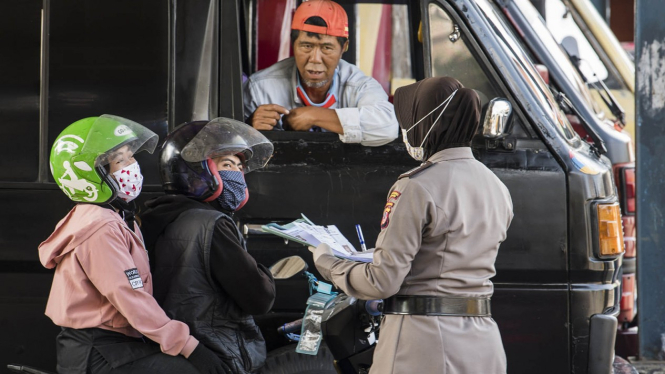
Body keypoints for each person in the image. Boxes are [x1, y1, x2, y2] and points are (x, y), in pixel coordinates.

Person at [310, 77, 514, 374]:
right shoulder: (497, 187)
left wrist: (327, 262)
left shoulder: (417, 186)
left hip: (423, 344)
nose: (406, 131)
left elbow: (381, 281)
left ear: (428, 124)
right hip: (483, 343)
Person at [39, 115, 230, 374]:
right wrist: (188, 345)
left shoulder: (116, 216)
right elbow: (128, 296)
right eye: (120, 160)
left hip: (116, 344)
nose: (133, 166)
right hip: (98, 352)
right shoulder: (101, 227)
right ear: (89, 173)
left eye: (131, 156)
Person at [140, 118, 277, 374]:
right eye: (227, 164)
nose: (237, 175)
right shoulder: (212, 224)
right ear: (198, 170)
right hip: (213, 352)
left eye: (239, 167)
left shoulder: (151, 217)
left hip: (165, 350)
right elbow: (259, 299)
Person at [243, 0, 398, 147]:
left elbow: (388, 126)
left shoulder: (358, 85)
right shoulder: (259, 88)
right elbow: (229, 144)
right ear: (293, 43)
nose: (315, 59)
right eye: (306, 46)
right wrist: (250, 127)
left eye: (326, 48)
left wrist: (314, 115)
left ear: (344, 47)